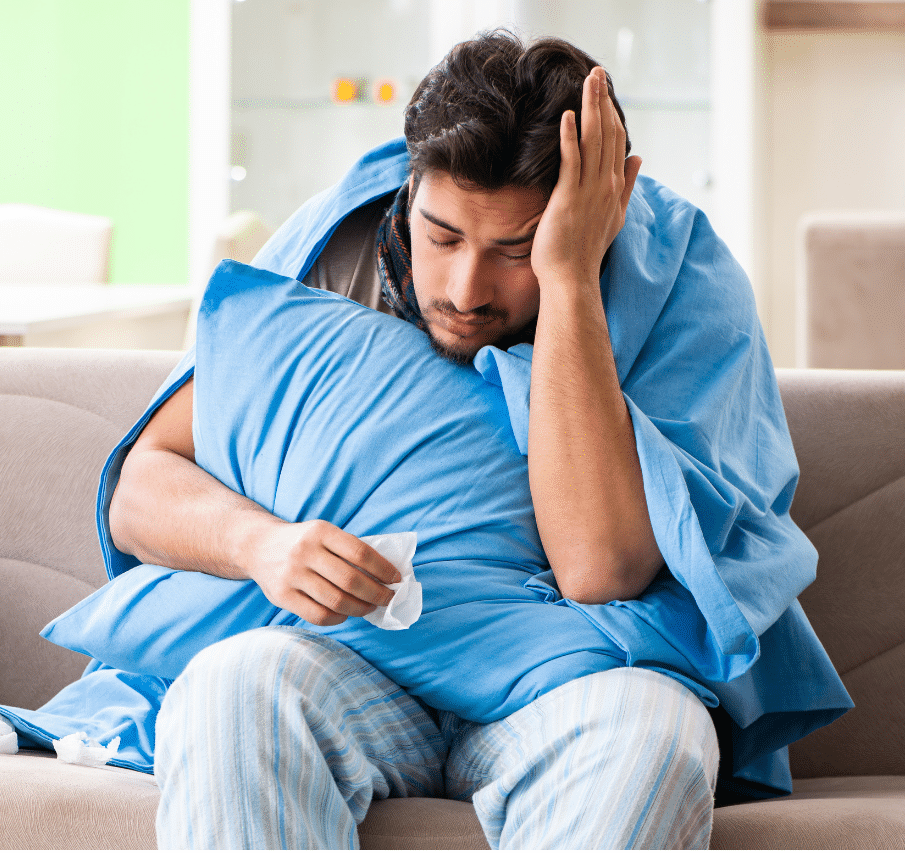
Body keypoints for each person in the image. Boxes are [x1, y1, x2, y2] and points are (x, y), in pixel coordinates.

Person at [99, 31, 843, 849]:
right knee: (230, 686)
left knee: (654, 737)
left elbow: (599, 567)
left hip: (579, 679)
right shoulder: (342, 246)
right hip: (355, 666)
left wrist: (566, 278)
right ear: (410, 186)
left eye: (514, 250)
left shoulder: (681, 280)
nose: (462, 289)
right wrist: (262, 544)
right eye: (443, 235)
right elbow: (142, 490)